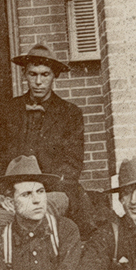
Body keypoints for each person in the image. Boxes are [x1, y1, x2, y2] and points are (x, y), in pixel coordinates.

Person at [9, 43, 98, 233]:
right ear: (24, 74)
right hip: (15, 191)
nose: (38, 82)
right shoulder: (8, 111)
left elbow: (72, 165)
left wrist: (43, 193)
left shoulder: (70, 114)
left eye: (45, 74)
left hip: (54, 190)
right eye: (33, 74)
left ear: (54, 76)